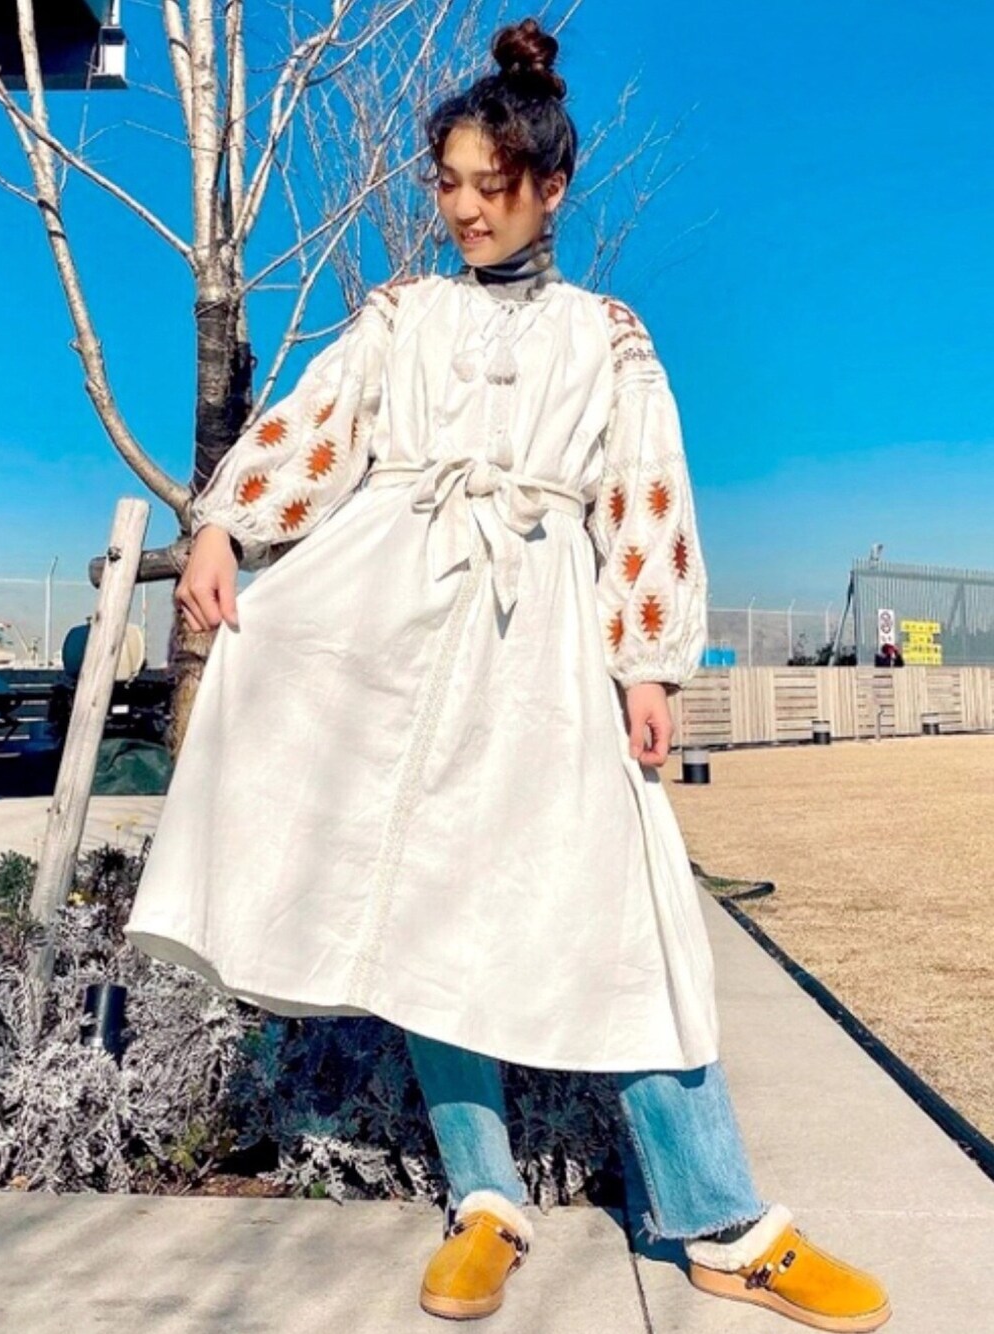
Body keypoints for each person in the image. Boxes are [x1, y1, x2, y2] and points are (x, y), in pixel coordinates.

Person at [123, 17, 891, 1331]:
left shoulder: (609, 336)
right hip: (396, 622)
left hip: (545, 643)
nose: (467, 209)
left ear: (552, 186)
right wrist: (223, 525)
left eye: (496, 184)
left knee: (629, 908)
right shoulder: (403, 317)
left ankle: (718, 1218)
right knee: (430, 899)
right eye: (450, 183)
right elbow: (318, 424)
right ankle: (485, 1197)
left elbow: (646, 497)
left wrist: (650, 667)